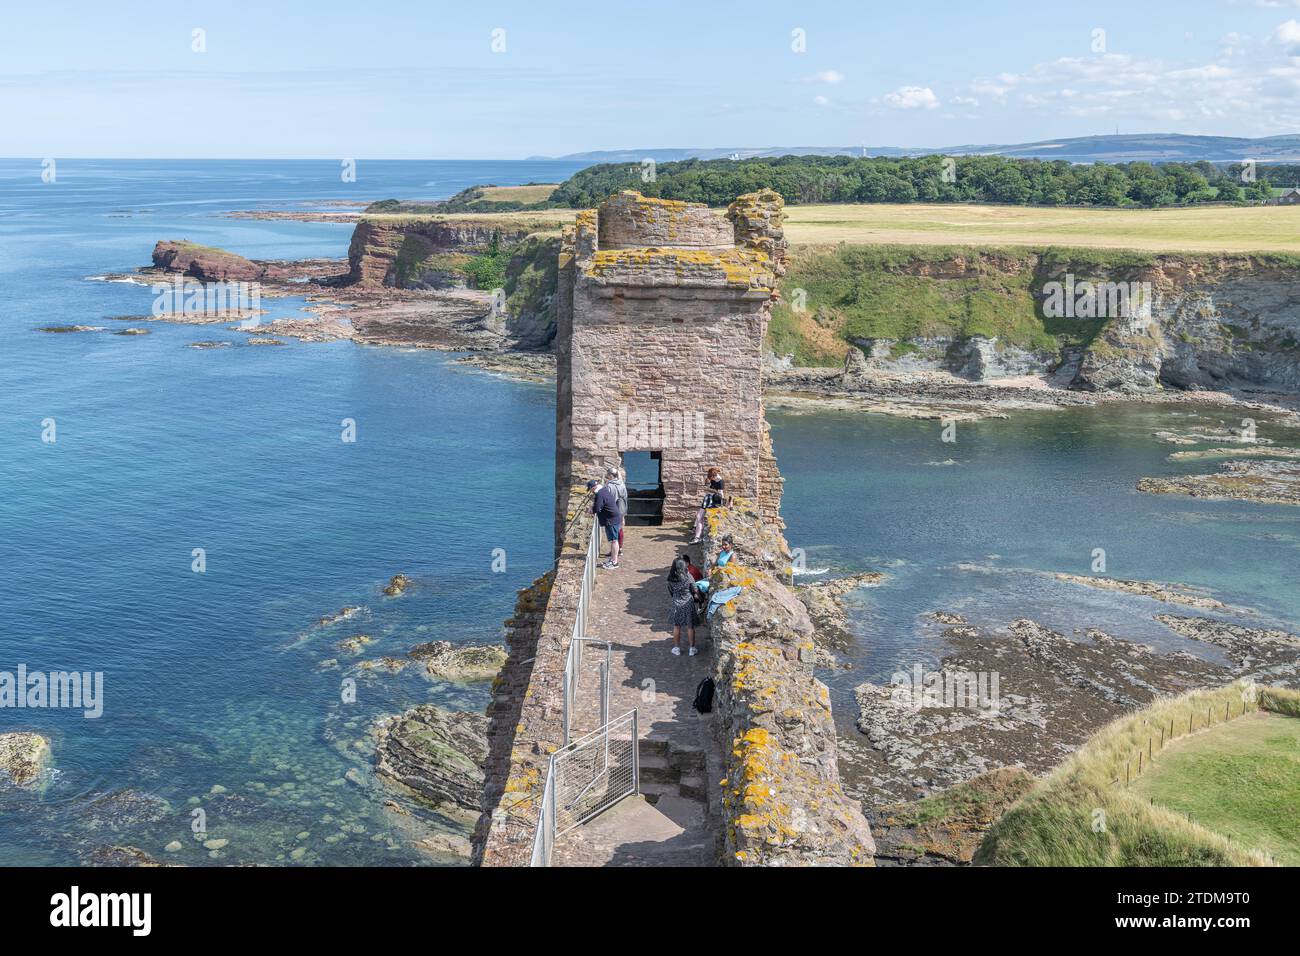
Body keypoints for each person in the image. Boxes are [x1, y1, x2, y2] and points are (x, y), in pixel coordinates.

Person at [666, 556, 698, 656]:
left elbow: (671, 591)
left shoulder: (671, 579)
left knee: (676, 626)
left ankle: (676, 648)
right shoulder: (688, 576)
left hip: (676, 603)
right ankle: (692, 649)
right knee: (690, 626)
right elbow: (695, 589)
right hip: (688, 603)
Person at [588, 478, 621, 569]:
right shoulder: (603, 490)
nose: (591, 492)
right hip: (612, 518)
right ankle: (612, 559)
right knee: (612, 540)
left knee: (614, 540)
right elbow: (600, 504)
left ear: (593, 488)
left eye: (590, 490)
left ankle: (614, 562)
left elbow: (598, 508)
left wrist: (591, 510)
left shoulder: (599, 494)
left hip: (611, 519)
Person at [691, 468, 726, 543]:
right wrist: (707, 485)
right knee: (699, 516)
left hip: (715, 501)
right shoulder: (711, 479)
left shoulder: (721, 481)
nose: (710, 479)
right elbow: (707, 488)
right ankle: (697, 537)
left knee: (706, 518)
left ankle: (698, 535)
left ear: (714, 476)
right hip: (707, 499)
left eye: (711, 477)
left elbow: (720, 495)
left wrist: (709, 489)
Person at [604, 464, 628, 554]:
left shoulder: (610, 485)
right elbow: (625, 497)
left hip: (614, 510)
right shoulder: (621, 483)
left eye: (608, 475)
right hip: (622, 509)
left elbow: (609, 499)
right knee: (620, 529)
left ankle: (614, 551)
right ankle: (620, 549)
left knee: (613, 531)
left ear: (610, 475)